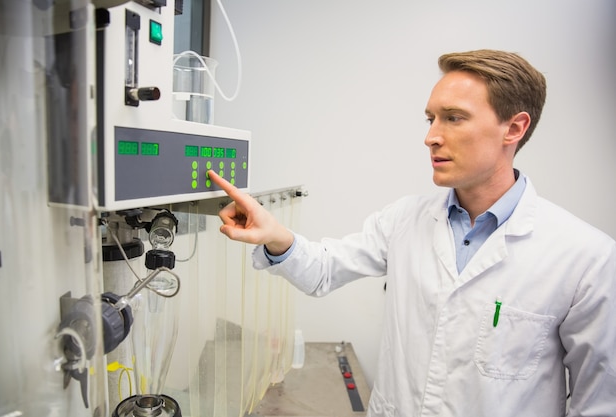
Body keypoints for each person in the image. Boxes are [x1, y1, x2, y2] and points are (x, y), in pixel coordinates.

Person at [207, 49, 616, 417]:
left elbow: (598, 403)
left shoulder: (586, 258)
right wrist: (274, 234)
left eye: (454, 118)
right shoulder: (405, 219)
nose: (430, 136)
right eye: (431, 118)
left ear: (514, 128)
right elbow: (324, 270)